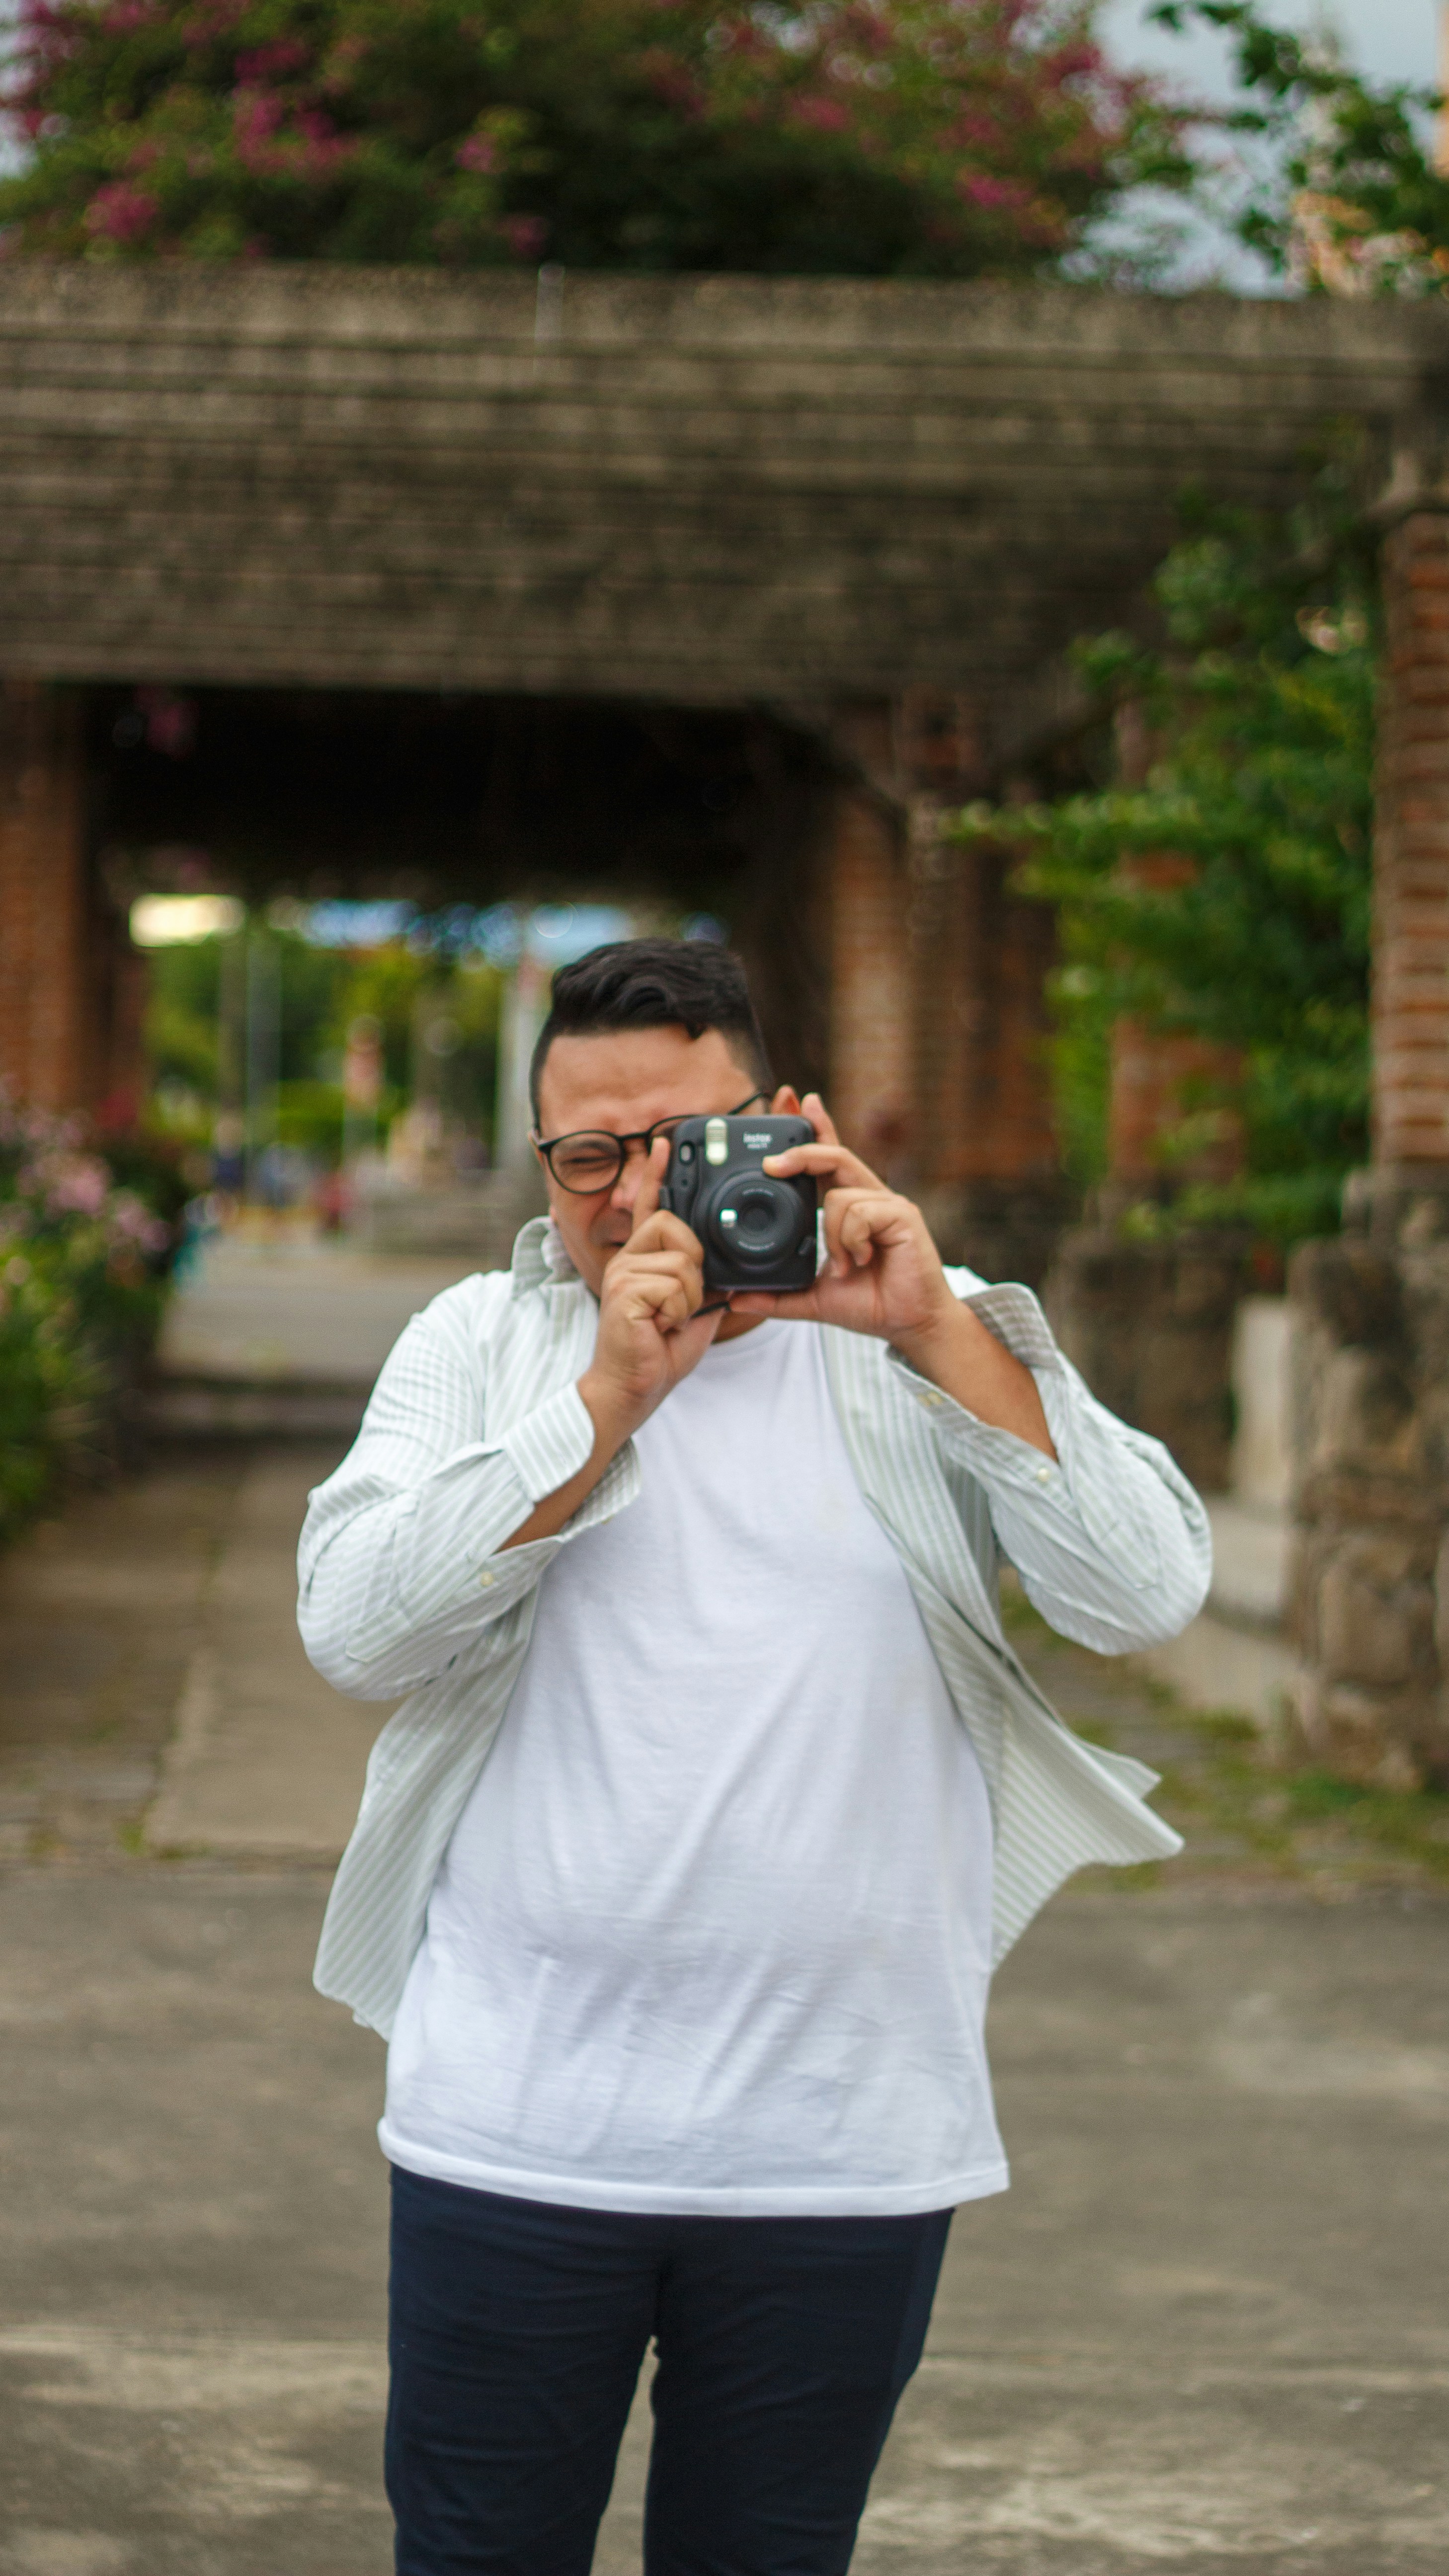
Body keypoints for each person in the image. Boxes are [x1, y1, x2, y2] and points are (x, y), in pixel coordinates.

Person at [298, 937, 1209, 2576]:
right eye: (590, 1156)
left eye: (682, 1142)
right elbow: (355, 1630)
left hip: (842, 2144)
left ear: (786, 1123)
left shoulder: (904, 1336)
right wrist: (600, 1402)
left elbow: (1144, 1594)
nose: (636, 1191)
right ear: (545, 1167)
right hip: (517, 2131)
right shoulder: (478, 1344)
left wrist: (936, 1327)